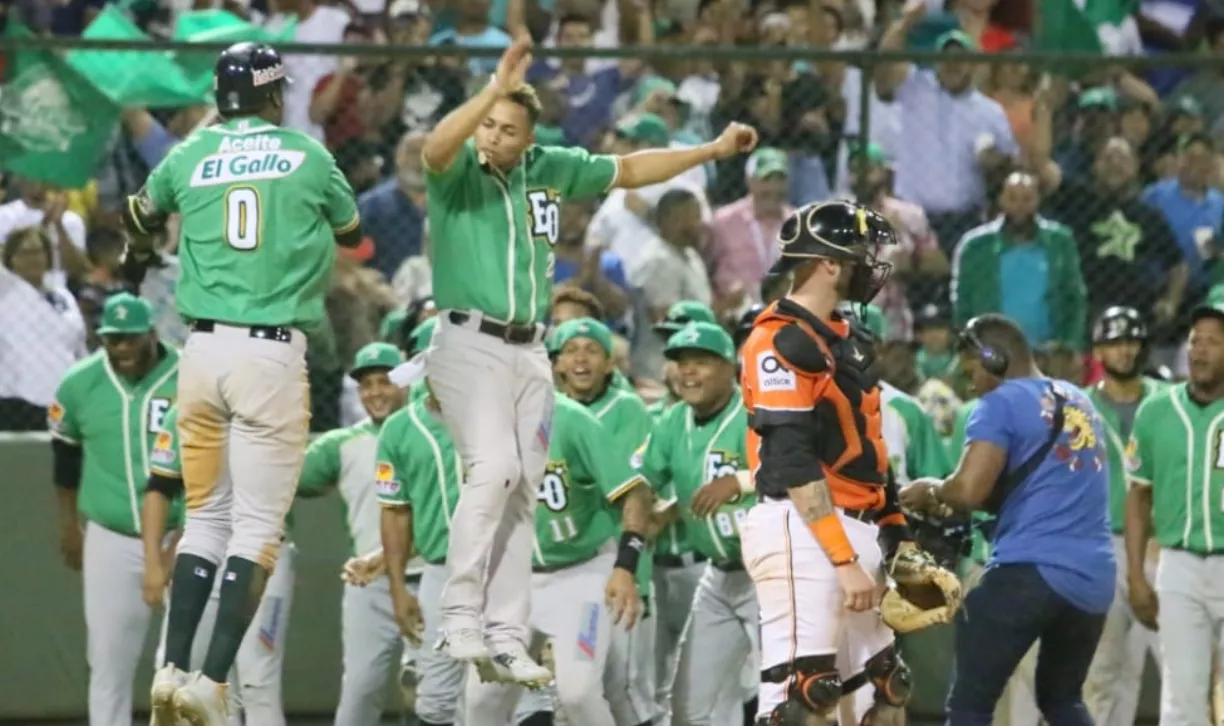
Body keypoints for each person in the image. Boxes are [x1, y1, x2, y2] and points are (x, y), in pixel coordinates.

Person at [420, 34, 758, 683]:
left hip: (529, 346)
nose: (492, 136)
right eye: (488, 125)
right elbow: (436, 147)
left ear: (528, 137)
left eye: (507, 128)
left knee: (520, 493)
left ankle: (505, 632)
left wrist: (710, 151)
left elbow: (630, 169)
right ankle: (459, 614)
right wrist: (491, 90)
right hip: (466, 340)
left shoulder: (548, 166)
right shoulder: (460, 169)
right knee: (493, 470)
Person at [121, 41, 363, 724]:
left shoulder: (190, 153)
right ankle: (211, 679)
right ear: (273, 94)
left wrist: (139, 252)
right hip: (269, 352)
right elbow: (353, 230)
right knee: (255, 526)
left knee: (205, 519)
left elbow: (139, 215)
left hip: (197, 352)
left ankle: (169, 668)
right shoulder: (306, 154)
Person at [739, 200, 910, 725]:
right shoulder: (778, 339)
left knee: (888, 688)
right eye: (862, 253)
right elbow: (792, 461)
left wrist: (897, 535)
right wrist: (842, 559)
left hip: (854, 529)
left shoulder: (847, 335)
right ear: (830, 262)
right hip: (803, 529)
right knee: (806, 695)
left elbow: (870, 450)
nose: (871, 265)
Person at [902, 313, 1116, 726]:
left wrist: (931, 490)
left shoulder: (1000, 402)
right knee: (1062, 701)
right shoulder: (1079, 399)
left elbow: (967, 490)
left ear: (995, 358)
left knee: (969, 705)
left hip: (1028, 573)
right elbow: (1032, 486)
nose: (969, 384)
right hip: (1094, 580)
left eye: (971, 371)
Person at [463, 393, 654, 725]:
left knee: (577, 694)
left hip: (581, 573)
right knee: (482, 698)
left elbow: (634, 492)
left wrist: (625, 565)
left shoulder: (572, 419)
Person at [47, 293, 180, 726]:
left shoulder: (190, 376)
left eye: (130, 338)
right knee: (107, 662)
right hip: (112, 532)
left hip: (183, 532)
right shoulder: (79, 383)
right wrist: (69, 525)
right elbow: (65, 457)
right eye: (112, 339)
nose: (121, 348)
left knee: (188, 663)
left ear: (151, 333)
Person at [637, 321, 760, 726]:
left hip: (771, 576)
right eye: (681, 363)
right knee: (689, 707)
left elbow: (800, 469)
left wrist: (739, 481)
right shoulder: (672, 422)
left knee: (793, 694)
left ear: (731, 366)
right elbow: (641, 483)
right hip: (719, 577)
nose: (688, 372)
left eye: (702, 362)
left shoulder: (758, 414)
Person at [141, 403, 294, 726]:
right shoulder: (184, 411)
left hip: (261, 554)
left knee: (256, 683)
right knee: (176, 681)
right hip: (206, 550)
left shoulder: (275, 406)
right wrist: (154, 563)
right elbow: (160, 487)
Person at [293, 343, 421, 726]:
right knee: (361, 687)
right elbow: (291, 481)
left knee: (430, 689)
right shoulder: (342, 444)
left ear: (406, 384)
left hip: (430, 575)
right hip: (371, 583)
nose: (376, 392)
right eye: (367, 384)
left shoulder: (431, 434)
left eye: (385, 382)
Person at [549, 317, 658, 726]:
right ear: (556, 364)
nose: (581, 359)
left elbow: (634, 491)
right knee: (572, 695)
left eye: (591, 350)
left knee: (624, 688)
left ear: (609, 364)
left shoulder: (626, 409)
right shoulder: (545, 414)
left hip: (620, 566)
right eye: (571, 350)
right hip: (567, 572)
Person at [1124, 302, 1224, 726]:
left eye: (1214, 342)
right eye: (1194, 341)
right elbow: (1137, 496)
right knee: (1181, 700)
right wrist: (1136, 575)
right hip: (1178, 565)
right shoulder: (1156, 411)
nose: (1200, 351)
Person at [1081, 306, 1166, 726]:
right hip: (1101, 544)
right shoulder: (1081, 408)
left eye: (1131, 340)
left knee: (1182, 662)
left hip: (1161, 544)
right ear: (1098, 350)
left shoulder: (1167, 400)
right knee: (1105, 670)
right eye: (1114, 342)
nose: (1125, 350)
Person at [375, 362, 469, 726]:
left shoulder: (501, 414)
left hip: (503, 567)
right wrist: (398, 588)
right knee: (434, 699)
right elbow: (396, 514)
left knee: (516, 692)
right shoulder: (400, 428)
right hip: (440, 571)